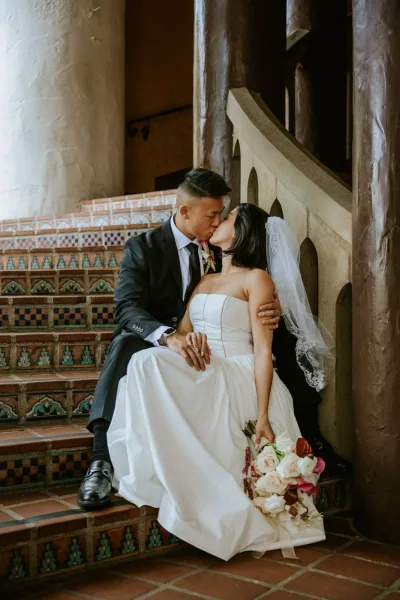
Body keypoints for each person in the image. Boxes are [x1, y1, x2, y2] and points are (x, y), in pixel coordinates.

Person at [77, 168, 349, 510]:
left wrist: (271, 305)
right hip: (165, 339)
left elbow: (240, 292)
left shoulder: (221, 254)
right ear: (184, 211)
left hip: (219, 346)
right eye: (212, 214)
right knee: (127, 345)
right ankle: (102, 459)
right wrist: (169, 337)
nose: (217, 221)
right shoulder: (143, 248)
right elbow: (128, 309)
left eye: (223, 215)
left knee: (281, 336)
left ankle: (309, 431)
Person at [107, 203, 327, 560]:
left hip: (239, 370)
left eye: (228, 218)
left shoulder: (257, 279)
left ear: (244, 233)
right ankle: (162, 465)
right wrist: (190, 341)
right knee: (145, 362)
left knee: (148, 364)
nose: (219, 222)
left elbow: (262, 352)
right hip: (206, 365)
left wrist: (264, 414)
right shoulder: (205, 280)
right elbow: (182, 333)